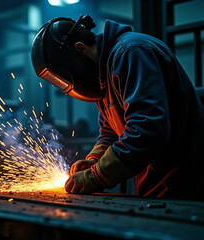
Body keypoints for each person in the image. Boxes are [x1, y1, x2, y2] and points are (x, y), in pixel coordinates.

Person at [31, 15, 204, 200]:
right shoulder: (102, 76)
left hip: (187, 186)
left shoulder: (131, 53)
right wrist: (93, 161)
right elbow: (110, 133)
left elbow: (147, 131)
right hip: (157, 191)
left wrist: (95, 176)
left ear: (80, 49)